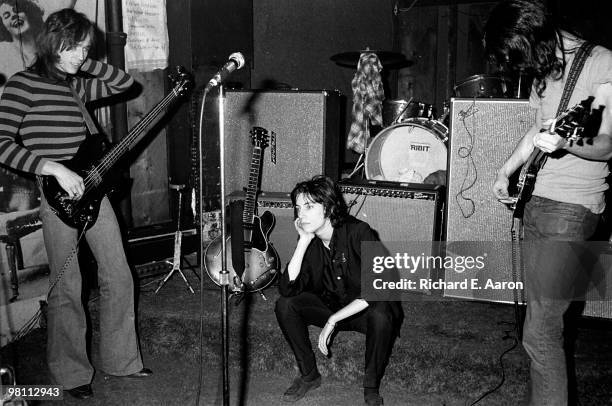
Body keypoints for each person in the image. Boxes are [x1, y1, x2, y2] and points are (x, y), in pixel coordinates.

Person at [0, 8, 151, 399]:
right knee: (67, 284)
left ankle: (122, 362)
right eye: (72, 48)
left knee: (118, 274)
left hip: (91, 188)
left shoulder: (77, 86)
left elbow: (126, 82)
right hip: (57, 194)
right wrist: (52, 169)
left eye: (84, 49)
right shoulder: (22, 86)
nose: (78, 57)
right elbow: (1, 143)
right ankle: (71, 374)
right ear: (51, 44)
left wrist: (86, 61)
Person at [485, 1, 612, 405]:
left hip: (572, 211)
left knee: (540, 335)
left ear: (535, 38)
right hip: (536, 202)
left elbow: (608, 143)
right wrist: (505, 171)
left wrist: (567, 141)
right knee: (537, 333)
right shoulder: (545, 72)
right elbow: (536, 129)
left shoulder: (603, 63)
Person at [275, 175, 404, 406]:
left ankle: (371, 386)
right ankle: (309, 375)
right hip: (330, 305)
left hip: (362, 312)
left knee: (382, 312)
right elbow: (287, 288)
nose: (300, 214)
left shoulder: (359, 232)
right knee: (285, 305)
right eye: (297, 208)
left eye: (308, 206)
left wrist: (334, 320)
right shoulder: (310, 239)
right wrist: (303, 242)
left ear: (329, 207)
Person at [0, 0, 43, 93]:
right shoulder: (3, 53)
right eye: (6, 15)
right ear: (3, 26)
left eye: (17, 10)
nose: (13, 16)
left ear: (29, 14)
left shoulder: (49, 46)